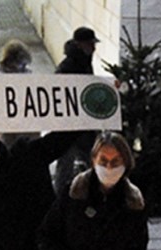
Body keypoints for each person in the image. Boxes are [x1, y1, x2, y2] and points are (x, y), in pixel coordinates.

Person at [52, 27, 98, 197]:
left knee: (87, 157)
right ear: (80, 45)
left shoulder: (84, 61)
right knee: (66, 160)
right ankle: (60, 195)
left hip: (82, 122)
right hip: (69, 124)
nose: (94, 48)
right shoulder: (68, 66)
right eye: (91, 44)